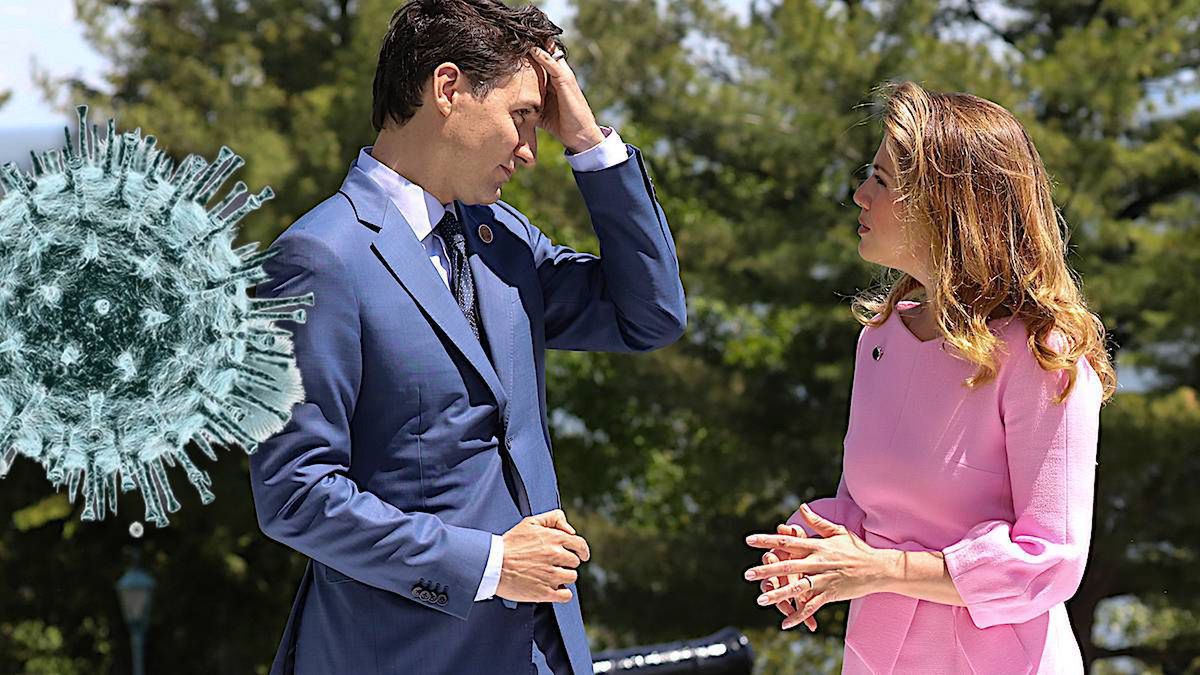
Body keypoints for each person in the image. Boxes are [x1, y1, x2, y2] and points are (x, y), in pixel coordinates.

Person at [247, 1, 686, 673]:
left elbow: (649, 313)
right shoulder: (319, 258)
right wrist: (490, 563)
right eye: (521, 118)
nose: (531, 152)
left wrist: (592, 145)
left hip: (542, 653)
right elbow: (296, 493)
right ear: (448, 89)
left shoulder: (502, 239)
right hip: (400, 655)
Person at [743, 81, 1116, 673]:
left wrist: (881, 569)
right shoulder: (880, 341)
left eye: (883, 181)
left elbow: (1050, 562)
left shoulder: (1044, 357)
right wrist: (811, 546)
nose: (860, 195)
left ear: (949, 206)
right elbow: (867, 508)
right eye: (870, 173)